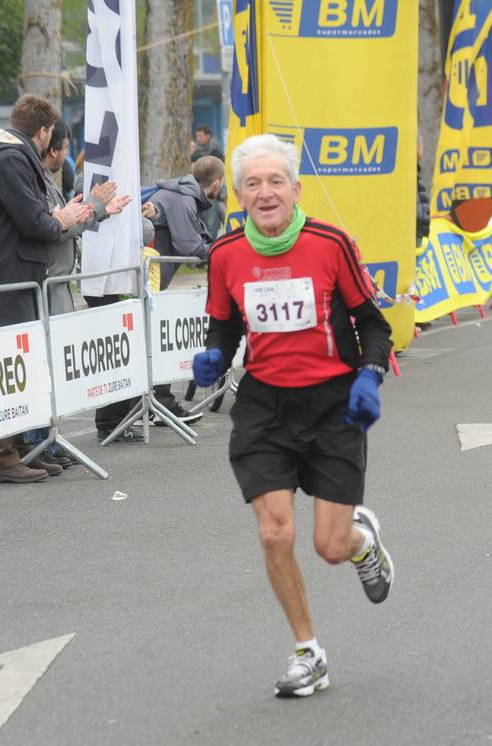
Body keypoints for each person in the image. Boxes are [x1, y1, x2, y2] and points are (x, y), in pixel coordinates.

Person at [190, 134, 395, 698]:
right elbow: (224, 323)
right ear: (238, 195)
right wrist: (214, 356)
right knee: (274, 532)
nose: (265, 192)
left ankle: (361, 541)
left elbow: (374, 325)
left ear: (295, 188)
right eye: (252, 184)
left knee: (328, 547)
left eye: (275, 181)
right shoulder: (227, 254)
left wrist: (368, 377)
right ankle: (309, 652)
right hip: (265, 405)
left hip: (333, 404)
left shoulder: (330, 244)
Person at [0, 93, 93, 485]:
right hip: (7, 281)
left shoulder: (9, 157)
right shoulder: (9, 160)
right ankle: (2, 457)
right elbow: (35, 222)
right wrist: (64, 217)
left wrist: (54, 216)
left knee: (18, 370)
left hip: (13, 277)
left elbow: (35, 216)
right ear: (42, 132)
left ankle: (19, 448)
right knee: (5, 370)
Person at [22, 119, 134, 469]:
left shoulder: (49, 180)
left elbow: (64, 222)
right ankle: (37, 441)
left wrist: (93, 212)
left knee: (51, 369)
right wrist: (94, 210)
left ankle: (47, 440)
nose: (68, 155)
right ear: (53, 148)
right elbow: (53, 228)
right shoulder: (38, 180)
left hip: (56, 282)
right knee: (42, 368)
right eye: (66, 147)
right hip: (45, 282)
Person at [149, 155, 224, 288]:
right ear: (217, 184)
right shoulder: (184, 199)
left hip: (152, 274)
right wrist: (222, 250)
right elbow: (190, 248)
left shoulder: (183, 193)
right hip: (151, 277)